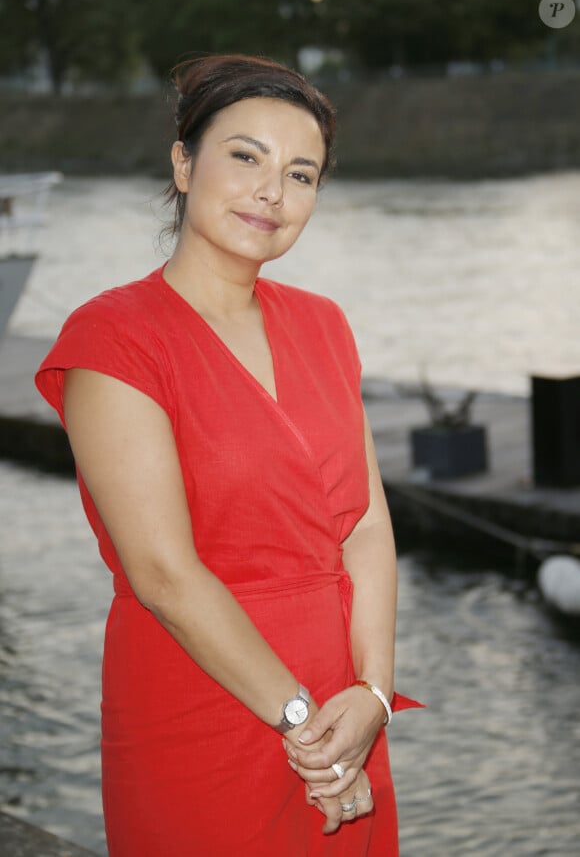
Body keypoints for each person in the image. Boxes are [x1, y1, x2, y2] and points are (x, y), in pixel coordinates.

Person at [35, 54, 423, 856]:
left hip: (342, 713)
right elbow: (164, 574)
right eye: (245, 156)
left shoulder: (324, 325)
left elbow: (367, 527)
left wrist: (373, 695)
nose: (272, 193)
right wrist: (306, 727)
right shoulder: (115, 340)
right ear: (183, 162)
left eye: (301, 173)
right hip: (205, 707)